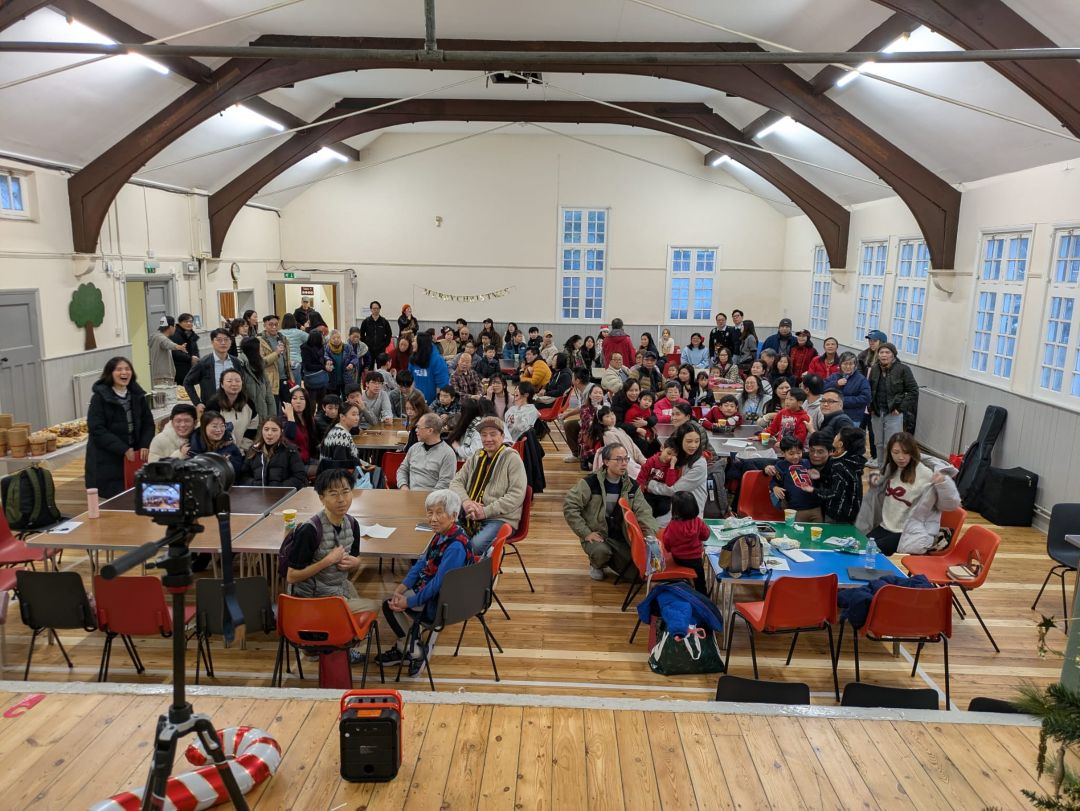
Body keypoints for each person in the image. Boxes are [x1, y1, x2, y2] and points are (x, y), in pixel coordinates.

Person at [379, 488, 479, 674]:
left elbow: (438, 584)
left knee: (389, 605)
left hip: (444, 602)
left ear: (454, 515)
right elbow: (422, 563)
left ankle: (413, 651)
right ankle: (407, 644)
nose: (433, 518)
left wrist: (409, 601)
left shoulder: (455, 546)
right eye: (430, 512)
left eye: (439, 513)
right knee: (396, 598)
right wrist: (403, 586)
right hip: (437, 591)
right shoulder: (443, 533)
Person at [286, 469, 377, 625]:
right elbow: (291, 576)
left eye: (345, 492)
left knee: (354, 600)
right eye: (333, 494)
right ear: (322, 498)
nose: (341, 499)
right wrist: (326, 561)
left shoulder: (352, 524)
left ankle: (341, 637)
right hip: (312, 599)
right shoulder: (309, 530)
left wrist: (356, 563)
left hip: (337, 588)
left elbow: (355, 559)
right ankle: (335, 636)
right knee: (372, 607)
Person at [564, 442, 659, 581]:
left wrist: (650, 536)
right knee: (601, 552)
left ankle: (611, 558)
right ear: (606, 462)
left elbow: (644, 512)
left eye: (626, 459)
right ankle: (597, 564)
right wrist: (586, 533)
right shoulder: (591, 482)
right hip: (597, 533)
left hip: (620, 535)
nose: (624, 463)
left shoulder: (632, 486)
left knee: (636, 576)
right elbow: (570, 506)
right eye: (618, 459)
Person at [856, 432, 960, 555]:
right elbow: (875, 498)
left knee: (868, 551)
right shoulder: (890, 469)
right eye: (896, 452)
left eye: (905, 452)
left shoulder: (926, 474)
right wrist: (875, 481)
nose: (901, 457)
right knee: (859, 546)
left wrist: (943, 483)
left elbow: (950, 505)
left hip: (908, 532)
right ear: (890, 453)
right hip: (886, 526)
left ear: (912, 452)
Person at [449, 416, 528, 554]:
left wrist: (485, 512)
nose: (488, 439)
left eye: (493, 434)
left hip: (501, 518)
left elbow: (516, 495)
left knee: (475, 546)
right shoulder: (477, 456)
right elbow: (456, 482)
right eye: (484, 435)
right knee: (447, 537)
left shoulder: (512, 459)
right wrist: (466, 502)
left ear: (502, 436)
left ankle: (481, 565)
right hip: (471, 513)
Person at [85, 357, 154, 498]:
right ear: (110, 373)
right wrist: (123, 448)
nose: (124, 372)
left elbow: (148, 422)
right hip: (107, 458)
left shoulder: (137, 395)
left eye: (127, 369)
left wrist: (145, 444)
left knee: (135, 496)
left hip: (133, 456)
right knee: (113, 500)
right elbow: (96, 429)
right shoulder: (99, 397)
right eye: (119, 369)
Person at [798, 427, 867, 524]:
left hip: (838, 515)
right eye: (812, 450)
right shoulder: (853, 461)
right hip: (852, 514)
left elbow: (834, 493)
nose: (815, 455)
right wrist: (821, 476)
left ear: (839, 445)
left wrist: (813, 490)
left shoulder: (839, 465)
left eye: (837, 436)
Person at [644, 423, 708, 527]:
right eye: (689, 441)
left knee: (655, 525)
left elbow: (675, 490)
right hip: (668, 501)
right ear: (680, 440)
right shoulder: (676, 456)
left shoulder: (699, 464)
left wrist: (650, 485)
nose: (693, 445)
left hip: (688, 511)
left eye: (697, 441)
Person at [868, 342, 919, 466]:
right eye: (881, 352)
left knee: (892, 444)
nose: (884, 355)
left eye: (887, 352)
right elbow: (869, 389)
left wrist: (900, 408)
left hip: (893, 413)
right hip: (876, 412)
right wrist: (870, 407)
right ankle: (881, 469)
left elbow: (913, 391)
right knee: (878, 443)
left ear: (893, 355)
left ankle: (890, 471)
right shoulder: (874, 369)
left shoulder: (903, 369)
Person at [239, 417, 307, 489]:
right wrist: (256, 485)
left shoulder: (290, 450)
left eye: (274, 430)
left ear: (281, 431)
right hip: (258, 494)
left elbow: (299, 476)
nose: (269, 433)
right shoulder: (253, 450)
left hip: (283, 494)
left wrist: (279, 488)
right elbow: (243, 476)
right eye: (266, 429)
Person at [664, 491, 710, 594]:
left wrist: (669, 550)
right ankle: (703, 596)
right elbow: (706, 536)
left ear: (675, 509)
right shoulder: (698, 522)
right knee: (700, 580)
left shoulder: (673, 524)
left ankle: (683, 586)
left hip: (678, 558)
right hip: (695, 560)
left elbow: (667, 541)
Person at [183, 328, 240, 409]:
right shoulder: (203, 363)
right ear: (212, 342)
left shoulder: (236, 362)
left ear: (230, 342)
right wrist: (197, 403)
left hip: (234, 405)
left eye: (226, 340)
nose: (223, 343)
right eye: (219, 340)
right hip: (212, 407)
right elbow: (187, 382)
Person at [768, 436, 822, 521]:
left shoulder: (807, 462)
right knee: (797, 529)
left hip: (815, 507)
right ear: (783, 453)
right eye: (791, 454)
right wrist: (775, 487)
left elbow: (817, 478)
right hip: (796, 509)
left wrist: (817, 475)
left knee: (818, 528)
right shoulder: (781, 465)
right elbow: (774, 481)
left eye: (799, 452)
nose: (796, 456)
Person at [398, 413, 457, 491]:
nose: (416, 430)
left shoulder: (448, 454)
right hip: (409, 494)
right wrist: (403, 486)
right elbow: (402, 470)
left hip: (433, 497)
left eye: (418, 427)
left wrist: (428, 497)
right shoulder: (414, 448)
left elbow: (445, 484)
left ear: (430, 431)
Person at [205, 368, 257, 451]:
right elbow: (207, 429)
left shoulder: (249, 403)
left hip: (243, 450)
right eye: (229, 381)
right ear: (222, 384)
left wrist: (243, 448)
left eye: (237, 381)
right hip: (219, 450)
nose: (234, 384)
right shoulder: (213, 404)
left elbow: (253, 426)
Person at [590, 405, 646, 478]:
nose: (612, 417)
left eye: (612, 414)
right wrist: (637, 468)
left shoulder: (619, 429)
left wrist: (643, 461)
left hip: (632, 463)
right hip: (626, 467)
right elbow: (619, 456)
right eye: (607, 416)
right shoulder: (608, 435)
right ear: (601, 421)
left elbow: (634, 447)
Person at [189, 410, 244, 477]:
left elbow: (237, 472)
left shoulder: (230, 446)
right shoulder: (193, 446)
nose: (219, 430)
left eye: (222, 425)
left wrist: (227, 464)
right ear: (204, 427)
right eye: (214, 426)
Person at [824, 352, 871, 426]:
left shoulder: (861, 379)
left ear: (855, 365)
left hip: (852, 418)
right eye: (845, 364)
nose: (848, 366)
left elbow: (866, 398)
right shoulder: (834, 376)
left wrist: (842, 400)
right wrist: (836, 383)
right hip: (831, 415)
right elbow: (822, 388)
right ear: (840, 364)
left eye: (851, 364)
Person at [238, 336, 276, 421]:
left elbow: (269, 394)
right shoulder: (241, 367)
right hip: (249, 418)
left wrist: (272, 416)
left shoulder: (259, 366)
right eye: (260, 348)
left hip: (264, 415)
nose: (262, 351)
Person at [560, 368, 594, 461]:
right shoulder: (582, 389)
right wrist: (566, 415)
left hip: (594, 422)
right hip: (587, 420)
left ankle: (588, 455)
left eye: (572, 377)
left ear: (577, 380)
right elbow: (581, 407)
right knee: (569, 425)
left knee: (571, 426)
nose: (571, 379)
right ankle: (577, 454)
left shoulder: (592, 391)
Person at [409, 332, 450, 404]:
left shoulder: (437, 360)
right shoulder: (413, 359)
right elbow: (411, 380)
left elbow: (442, 386)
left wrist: (435, 405)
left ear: (421, 343)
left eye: (414, 341)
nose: (412, 344)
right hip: (417, 402)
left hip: (433, 403)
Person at [282, 385, 319, 466]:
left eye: (302, 399)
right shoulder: (285, 420)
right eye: (294, 398)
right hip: (294, 463)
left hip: (308, 459)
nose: (298, 401)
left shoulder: (309, 420)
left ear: (306, 402)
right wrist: (290, 416)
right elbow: (289, 436)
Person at [259, 314, 291, 404]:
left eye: (276, 324)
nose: (274, 327)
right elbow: (261, 362)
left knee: (288, 407)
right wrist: (276, 353)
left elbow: (286, 358)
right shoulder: (260, 341)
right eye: (270, 325)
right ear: (264, 325)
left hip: (284, 378)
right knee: (274, 408)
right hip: (270, 381)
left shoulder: (282, 338)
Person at [577, 383, 608, 467]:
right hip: (590, 437)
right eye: (595, 393)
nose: (598, 395)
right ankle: (584, 457)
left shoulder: (605, 408)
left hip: (602, 435)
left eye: (600, 393)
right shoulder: (584, 408)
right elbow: (590, 423)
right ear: (590, 395)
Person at [149, 316, 185, 388]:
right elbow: (167, 343)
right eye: (174, 326)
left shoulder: (157, 337)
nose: (175, 328)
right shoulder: (160, 338)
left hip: (161, 376)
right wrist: (179, 347)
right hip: (163, 378)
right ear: (171, 327)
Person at [324, 328, 360, 397]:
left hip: (346, 378)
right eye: (333, 338)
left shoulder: (347, 347)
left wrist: (352, 364)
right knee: (335, 398)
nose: (336, 339)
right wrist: (328, 361)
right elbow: (325, 357)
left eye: (338, 337)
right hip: (332, 379)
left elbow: (355, 358)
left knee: (347, 397)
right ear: (330, 339)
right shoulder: (327, 348)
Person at [280, 313, 309, 384]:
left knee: (285, 385)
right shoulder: (299, 333)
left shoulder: (279, 333)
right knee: (296, 386)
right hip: (296, 361)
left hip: (283, 362)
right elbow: (310, 339)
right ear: (294, 322)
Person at [172, 313, 200, 386]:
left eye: (190, 321)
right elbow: (174, 352)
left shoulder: (191, 335)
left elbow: (195, 350)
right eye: (186, 321)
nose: (189, 323)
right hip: (180, 369)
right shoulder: (175, 334)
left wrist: (196, 358)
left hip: (192, 368)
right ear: (180, 323)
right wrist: (190, 358)